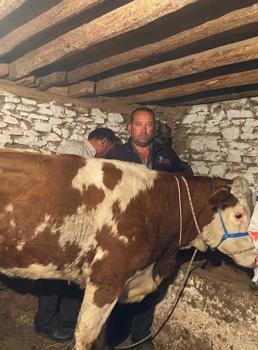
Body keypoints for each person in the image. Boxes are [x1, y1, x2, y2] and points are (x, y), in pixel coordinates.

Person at [105, 107, 192, 350]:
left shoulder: (166, 154)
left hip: (158, 230)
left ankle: (140, 335)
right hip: (125, 230)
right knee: (120, 281)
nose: (144, 130)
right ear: (130, 127)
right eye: (139, 125)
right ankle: (112, 334)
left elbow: (181, 179)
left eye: (149, 125)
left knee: (151, 281)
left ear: (154, 127)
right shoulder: (116, 154)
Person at [34, 127, 118, 342]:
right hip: (62, 222)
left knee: (73, 278)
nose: (106, 153)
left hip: (79, 225)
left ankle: (64, 324)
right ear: (101, 141)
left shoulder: (87, 155)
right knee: (54, 276)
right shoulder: (76, 149)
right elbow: (65, 181)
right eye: (108, 148)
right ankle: (45, 324)